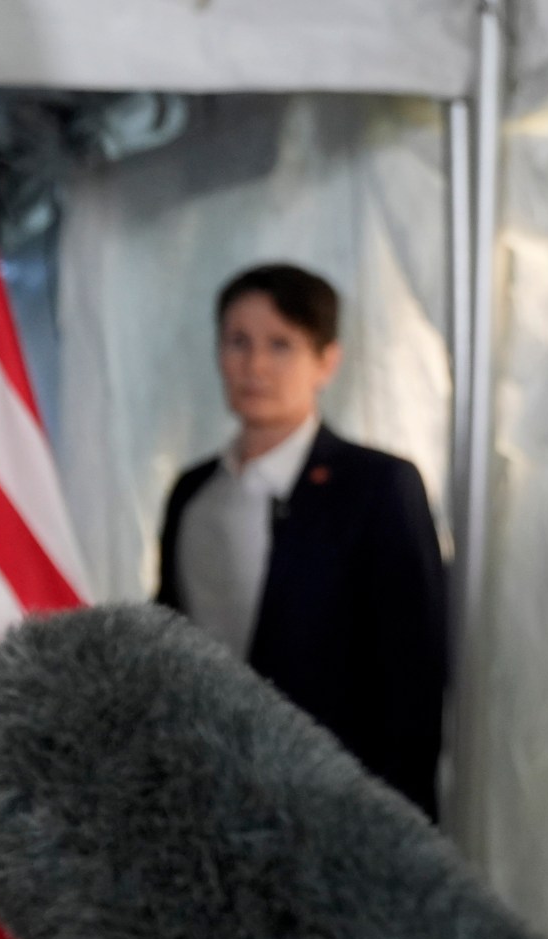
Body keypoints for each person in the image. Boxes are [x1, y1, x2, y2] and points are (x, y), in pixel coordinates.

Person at [156, 263, 447, 818]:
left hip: (334, 812)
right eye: (238, 342)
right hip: (207, 801)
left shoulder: (376, 485)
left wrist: (394, 831)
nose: (255, 365)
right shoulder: (193, 492)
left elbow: (414, 678)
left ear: (327, 361)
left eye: (281, 345)